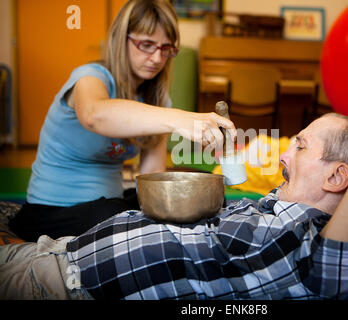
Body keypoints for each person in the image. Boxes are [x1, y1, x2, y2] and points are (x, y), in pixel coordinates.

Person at [0, 113, 348, 300]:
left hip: (59, 282)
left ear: (336, 177)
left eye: (298, 145)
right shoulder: (272, 204)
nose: (283, 155)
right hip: (58, 250)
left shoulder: (319, 255)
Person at [9, 0, 236, 242]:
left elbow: (152, 178)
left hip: (108, 205)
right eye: (146, 45)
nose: (157, 58)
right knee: (117, 215)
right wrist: (177, 119)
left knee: (206, 200)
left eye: (166, 48)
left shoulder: (156, 100)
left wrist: (184, 200)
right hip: (50, 212)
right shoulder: (90, 77)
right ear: (121, 39)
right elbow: (95, 115)